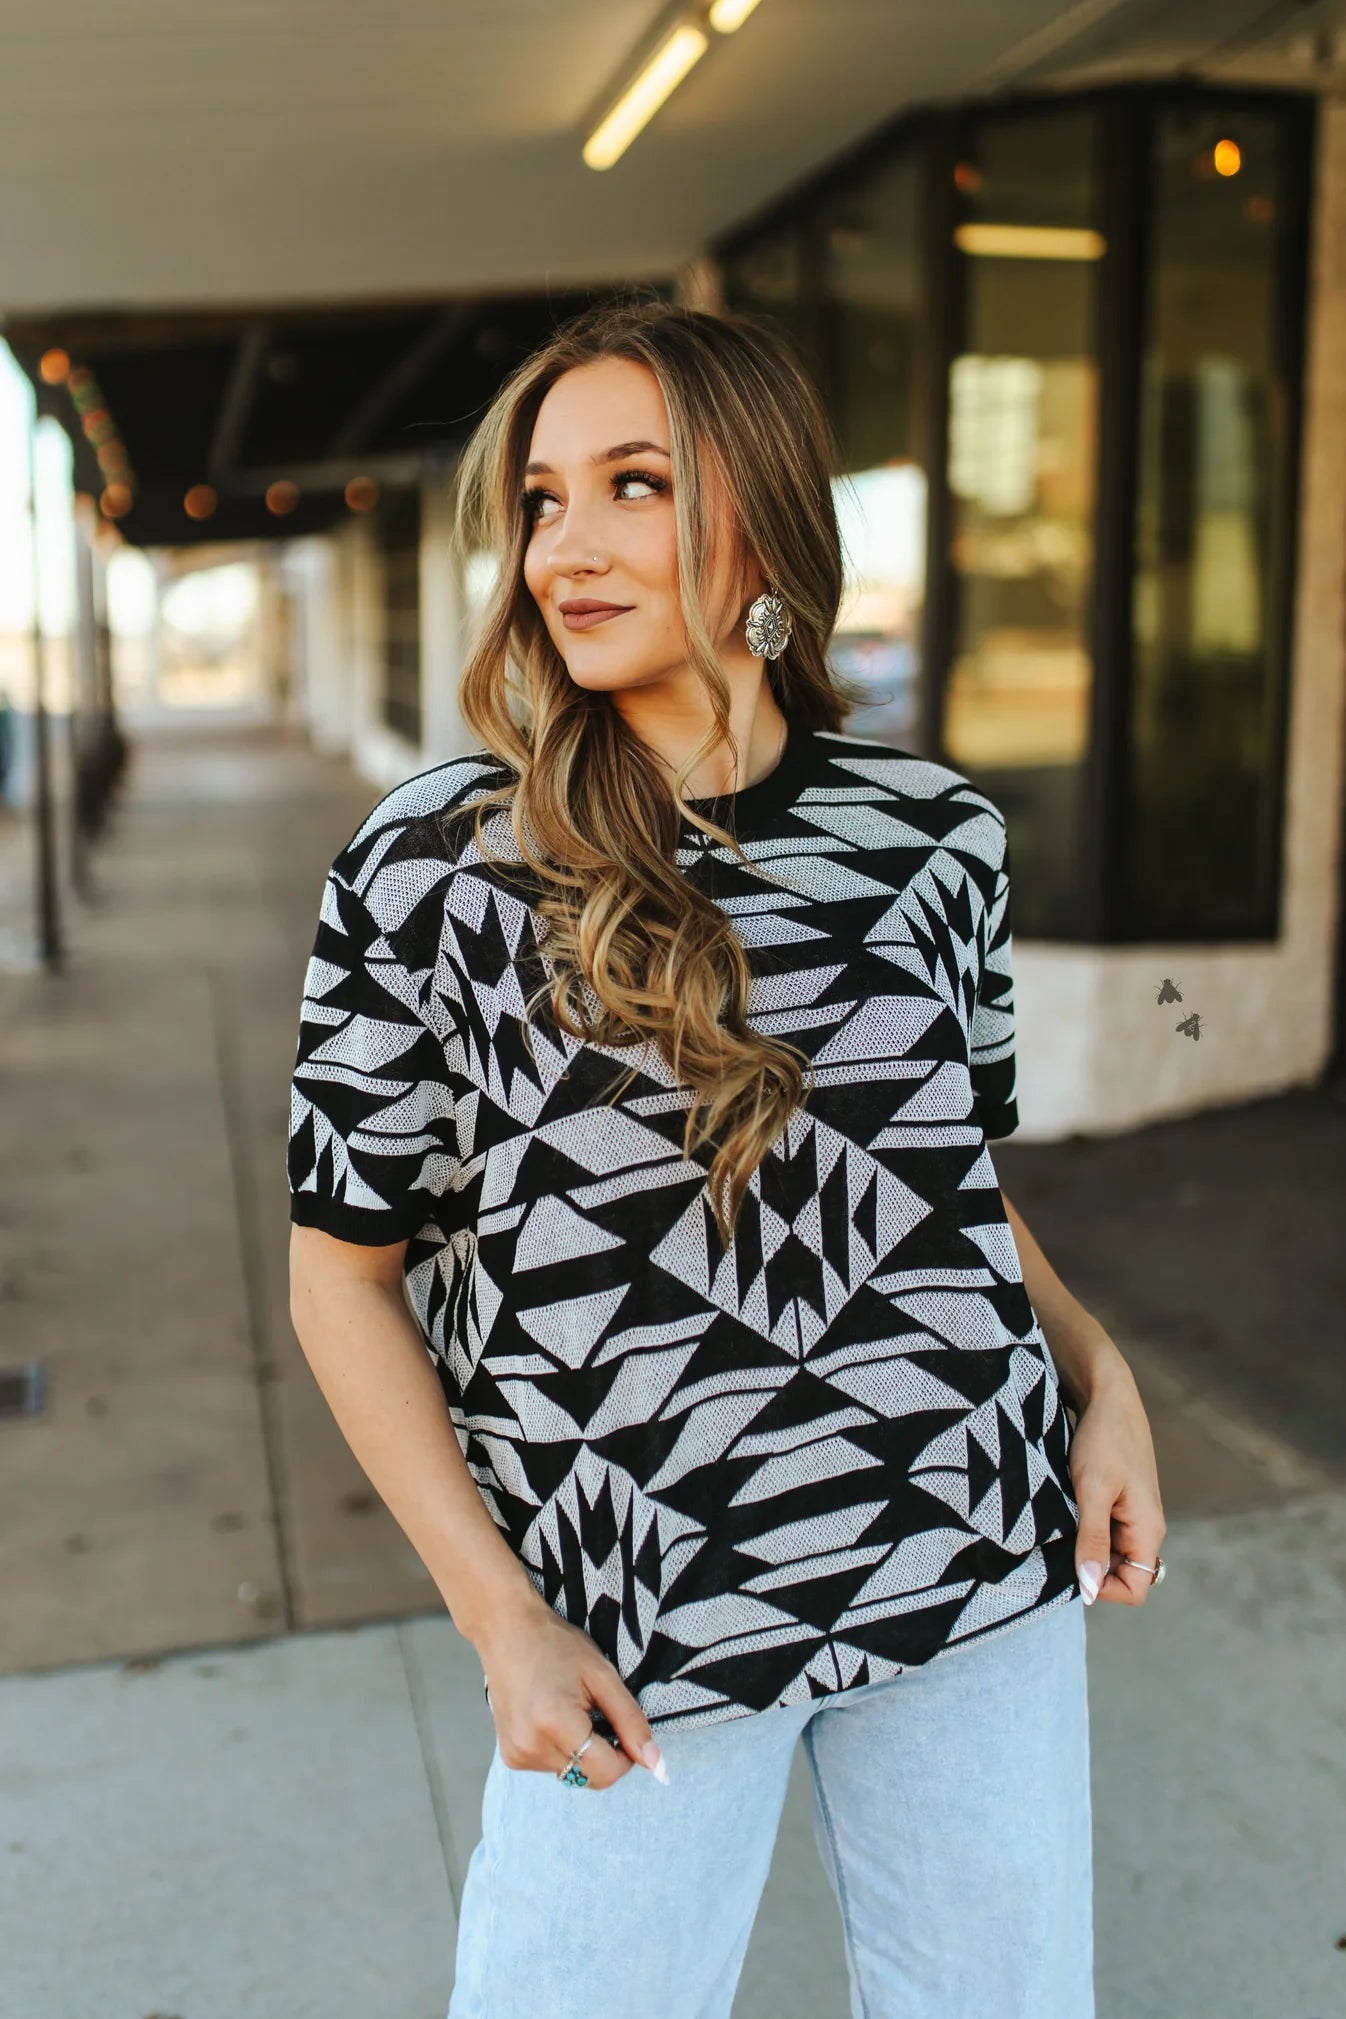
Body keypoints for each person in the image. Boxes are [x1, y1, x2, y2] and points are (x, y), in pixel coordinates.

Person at [286, 298, 1167, 2019]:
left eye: (634, 486)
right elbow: (340, 1281)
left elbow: (953, 1191)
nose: (567, 547)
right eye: (542, 500)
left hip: (969, 1555)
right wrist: (498, 1625)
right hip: (632, 1614)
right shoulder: (429, 869)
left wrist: (1098, 1371)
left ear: (759, 516)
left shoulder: (933, 839)